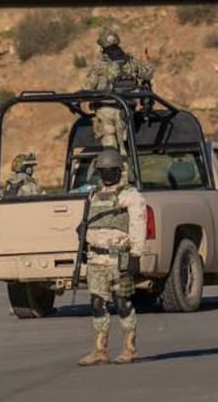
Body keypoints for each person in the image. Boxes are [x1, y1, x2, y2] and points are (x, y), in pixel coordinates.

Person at [79, 149, 147, 367]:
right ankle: (100, 350)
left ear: (119, 170)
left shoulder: (130, 195)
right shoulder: (94, 195)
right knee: (97, 303)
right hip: (96, 257)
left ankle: (129, 348)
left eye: (110, 170)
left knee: (122, 302)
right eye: (102, 171)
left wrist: (135, 254)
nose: (106, 175)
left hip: (120, 258)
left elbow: (138, 224)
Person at [83, 30, 154, 93]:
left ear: (102, 47)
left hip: (106, 102)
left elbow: (87, 87)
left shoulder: (100, 65)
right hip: (129, 102)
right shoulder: (132, 61)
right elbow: (148, 74)